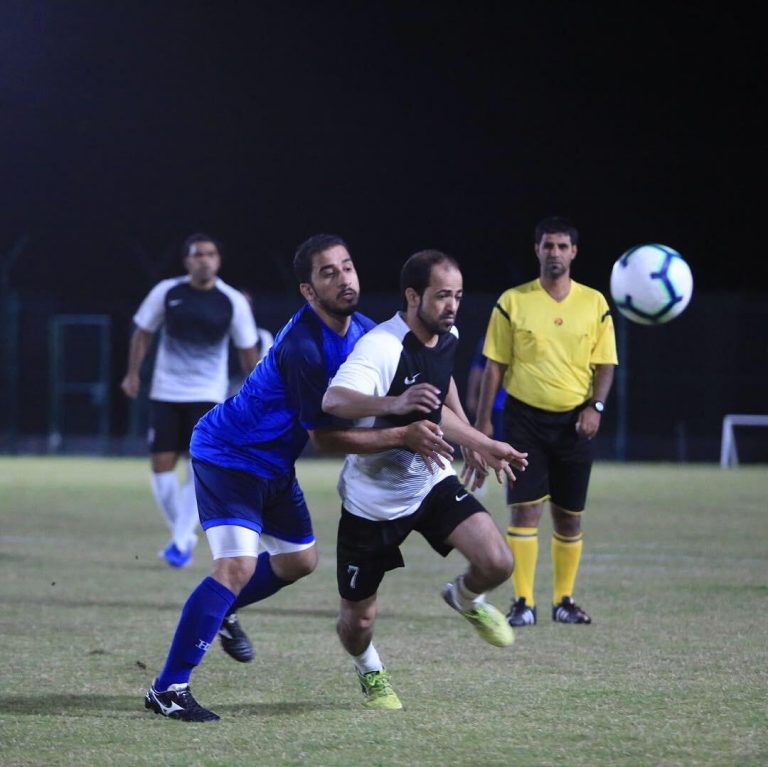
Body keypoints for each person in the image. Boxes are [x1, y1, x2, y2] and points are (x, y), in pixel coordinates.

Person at [143, 234, 457, 722]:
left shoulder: (366, 332)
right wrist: (402, 433)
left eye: (347, 266)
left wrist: (475, 438)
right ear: (308, 291)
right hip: (231, 455)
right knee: (235, 567)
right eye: (328, 273)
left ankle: (223, 607)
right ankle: (169, 687)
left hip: (273, 464)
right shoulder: (304, 346)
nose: (344, 278)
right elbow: (326, 439)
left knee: (298, 561)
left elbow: (423, 377)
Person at [322, 249, 529, 710]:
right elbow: (334, 400)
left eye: (457, 296)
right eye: (441, 296)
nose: (452, 306)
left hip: (430, 482)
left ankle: (464, 598)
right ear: (413, 296)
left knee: (497, 562)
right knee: (357, 622)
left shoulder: (447, 334)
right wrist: (394, 404)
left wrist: (478, 441)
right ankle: (369, 669)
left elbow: (439, 390)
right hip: (372, 504)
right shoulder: (381, 346)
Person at [473, 216, 618, 628]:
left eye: (562, 246)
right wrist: (483, 424)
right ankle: (523, 603)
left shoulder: (594, 303)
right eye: (548, 245)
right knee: (524, 511)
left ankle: (563, 601)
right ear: (536, 250)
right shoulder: (513, 301)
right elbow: (494, 366)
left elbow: (606, 364)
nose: (555, 252)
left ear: (574, 252)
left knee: (569, 515)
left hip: (576, 422)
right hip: (524, 421)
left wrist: (596, 408)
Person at [121, 233, 259, 569]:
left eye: (210, 254)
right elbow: (143, 332)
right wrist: (132, 373)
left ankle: (180, 541)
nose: (204, 260)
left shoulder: (232, 301)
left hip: (208, 395)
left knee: (199, 467)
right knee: (161, 467)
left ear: (218, 260)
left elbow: (248, 351)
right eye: (197, 255)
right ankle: (182, 536)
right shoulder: (167, 292)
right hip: (165, 392)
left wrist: (258, 395)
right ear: (187, 261)